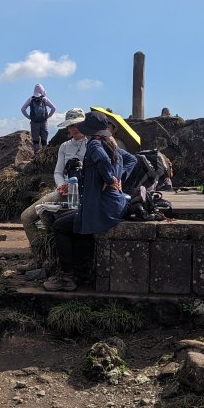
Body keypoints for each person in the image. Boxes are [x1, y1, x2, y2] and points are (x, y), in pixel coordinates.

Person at [44, 111, 136, 292]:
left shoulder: (94, 144)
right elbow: (132, 159)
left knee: (59, 227)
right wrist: (119, 177)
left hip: (101, 207)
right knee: (70, 220)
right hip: (114, 204)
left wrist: (110, 179)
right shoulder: (112, 143)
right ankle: (82, 272)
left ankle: (67, 278)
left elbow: (101, 160)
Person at [20, 108, 88, 255]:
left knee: (47, 214)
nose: (75, 128)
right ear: (68, 128)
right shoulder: (64, 146)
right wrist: (62, 185)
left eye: (78, 124)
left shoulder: (93, 144)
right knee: (27, 217)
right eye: (71, 125)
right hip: (64, 190)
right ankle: (40, 254)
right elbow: (58, 171)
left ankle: (51, 254)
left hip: (85, 193)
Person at [21, 83, 57, 154]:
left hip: (34, 122)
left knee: (35, 140)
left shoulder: (31, 99)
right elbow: (54, 108)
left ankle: (36, 155)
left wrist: (28, 117)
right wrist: (48, 116)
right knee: (44, 139)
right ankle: (45, 154)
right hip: (44, 122)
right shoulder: (44, 99)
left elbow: (22, 109)